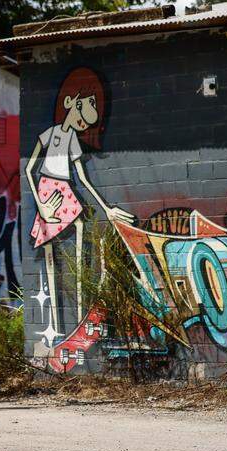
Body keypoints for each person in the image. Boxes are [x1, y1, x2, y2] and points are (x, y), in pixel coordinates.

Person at [25, 67, 135, 338]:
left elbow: (83, 178)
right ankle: (56, 324)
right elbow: (29, 170)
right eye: (83, 112)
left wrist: (107, 208)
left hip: (64, 189)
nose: (83, 124)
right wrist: (40, 206)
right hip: (48, 190)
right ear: (69, 103)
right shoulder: (49, 134)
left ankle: (79, 311)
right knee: (49, 250)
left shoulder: (73, 138)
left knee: (81, 229)